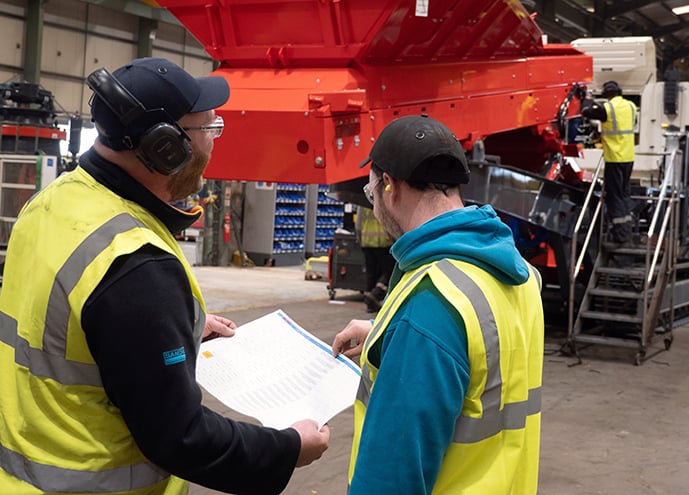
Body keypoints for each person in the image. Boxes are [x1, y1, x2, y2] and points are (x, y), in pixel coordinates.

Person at [0, 58, 329, 495]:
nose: (214, 145)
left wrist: (172, 330)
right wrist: (288, 447)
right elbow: (181, 438)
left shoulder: (51, 204)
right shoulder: (135, 265)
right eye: (209, 131)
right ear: (165, 148)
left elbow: (68, 327)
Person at [331, 115, 545, 494]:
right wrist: (389, 335)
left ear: (389, 187)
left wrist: (411, 336)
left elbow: (390, 481)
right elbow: (486, 358)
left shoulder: (430, 310)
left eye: (371, 195)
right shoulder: (521, 275)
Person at [582, 80, 639, 246]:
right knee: (623, 194)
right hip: (628, 157)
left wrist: (586, 98)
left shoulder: (607, 109)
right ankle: (626, 229)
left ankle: (620, 235)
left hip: (614, 157)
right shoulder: (631, 106)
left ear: (606, 94)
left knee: (614, 196)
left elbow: (586, 112)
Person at [355, 205, 395, 312]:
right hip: (383, 241)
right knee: (389, 272)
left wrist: (360, 239)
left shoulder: (361, 205)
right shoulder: (381, 199)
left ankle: (370, 304)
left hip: (366, 241)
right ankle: (376, 293)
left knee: (371, 274)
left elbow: (358, 225)